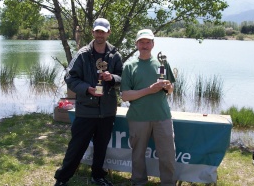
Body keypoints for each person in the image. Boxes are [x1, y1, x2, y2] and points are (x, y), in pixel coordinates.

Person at [54, 18, 123, 186]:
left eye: (103, 31)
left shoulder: (115, 55)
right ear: (93, 32)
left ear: (109, 33)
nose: (100, 34)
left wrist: (112, 77)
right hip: (86, 109)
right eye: (97, 31)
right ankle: (62, 179)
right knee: (76, 146)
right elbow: (70, 77)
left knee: (101, 147)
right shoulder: (83, 54)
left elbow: (123, 78)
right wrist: (87, 89)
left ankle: (97, 175)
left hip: (107, 111)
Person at [120, 29, 176, 186]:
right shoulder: (129, 67)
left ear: (153, 44)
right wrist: (149, 90)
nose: (145, 45)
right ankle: (138, 182)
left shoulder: (162, 63)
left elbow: (170, 90)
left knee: (168, 155)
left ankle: (169, 183)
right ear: (136, 44)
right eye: (141, 42)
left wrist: (168, 87)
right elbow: (125, 96)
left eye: (148, 42)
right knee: (137, 155)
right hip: (138, 117)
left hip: (162, 116)